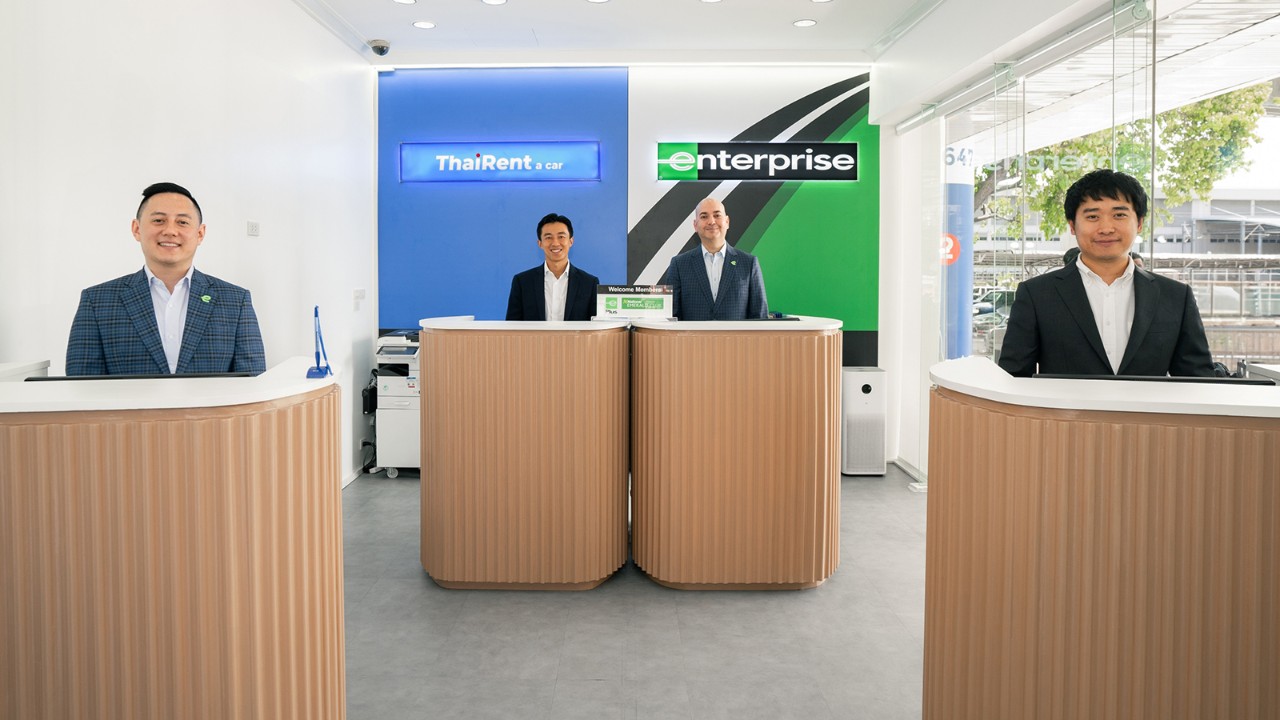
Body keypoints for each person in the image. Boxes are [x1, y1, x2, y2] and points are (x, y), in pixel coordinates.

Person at [998, 169, 1212, 377]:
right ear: (1072, 226)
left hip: (1145, 414)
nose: (1106, 228)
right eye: (1092, 217)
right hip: (1064, 414)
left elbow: (1198, 380)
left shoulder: (1175, 296)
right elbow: (1013, 377)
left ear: (1139, 223)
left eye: (1119, 215)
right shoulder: (1037, 294)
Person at [66, 182, 266, 376]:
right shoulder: (97, 301)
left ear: (200, 234)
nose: (170, 230)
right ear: (136, 229)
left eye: (182, 222)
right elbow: (82, 392)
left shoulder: (235, 301)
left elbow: (253, 387)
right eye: (158, 220)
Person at [666, 197, 768, 321]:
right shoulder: (679, 265)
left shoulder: (749, 264)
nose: (711, 221)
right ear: (695, 225)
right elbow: (672, 316)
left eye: (717, 215)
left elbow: (760, 318)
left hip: (736, 340)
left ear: (727, 221)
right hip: (693, 340)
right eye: (704, 216)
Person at [506, 213, 600, 321]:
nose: (555, 243)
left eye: (561, 237)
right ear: (540, 243)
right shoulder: (522, 282)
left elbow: (595, 328)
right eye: (548, 237)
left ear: (571, 241)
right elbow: (512, 327)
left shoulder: (589, 283)